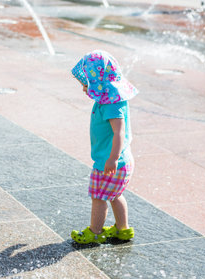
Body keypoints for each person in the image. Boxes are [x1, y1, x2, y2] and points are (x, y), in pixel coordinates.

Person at [70, 50, 138, 244]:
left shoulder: (111, 104)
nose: (84, 86)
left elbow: (119, 132)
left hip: (110, 162)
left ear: (98, 81)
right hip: (118, 160)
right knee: (115, 195)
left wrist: (113, 158)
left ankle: (95, 232)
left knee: (98, 197)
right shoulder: (109, 99)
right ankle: (122, 229)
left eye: (86, 82)